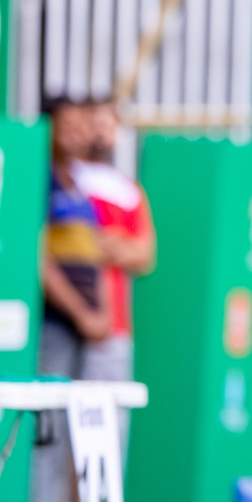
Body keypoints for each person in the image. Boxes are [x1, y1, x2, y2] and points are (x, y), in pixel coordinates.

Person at [34, 96, 109, 502]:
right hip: (56, 324)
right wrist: (81, 311)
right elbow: (37, 256)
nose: (81, 133)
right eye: (71, 125)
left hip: (83, 327)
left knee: (68, 430)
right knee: (45, 430)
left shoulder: (78, 183)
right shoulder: (39, 179)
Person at [71, 98, 156, 460]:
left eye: (110, 124)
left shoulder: (129, 191)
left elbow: (145, 255)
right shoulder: (67, 179)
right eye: (95, 122)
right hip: (67, 321)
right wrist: (111, 244)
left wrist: (108, 244)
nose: (102, 132)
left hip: (115, 329)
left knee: (105, 435)